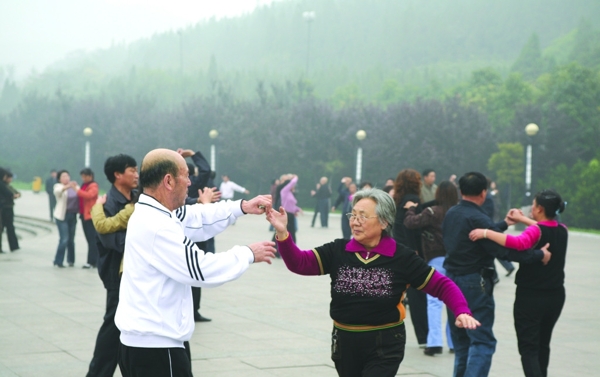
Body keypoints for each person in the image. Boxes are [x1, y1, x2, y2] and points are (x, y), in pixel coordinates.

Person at [266, 188, 480, 377]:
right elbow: (299, 263)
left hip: (384, 343)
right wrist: (283, 233)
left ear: (384, 222)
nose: (355, 221)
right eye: (353, 215)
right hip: (345, 341)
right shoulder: (337, 251)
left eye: (363, 216)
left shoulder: (402, 257)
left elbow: (442, 285)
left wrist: (461, 311)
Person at [114, 148, 276, 377]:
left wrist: (241, 207)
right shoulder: (157, 225)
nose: (190, 182)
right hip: (156, 349)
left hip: (147, 343)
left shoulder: (156, 212)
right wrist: (248, 253)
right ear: (168, 180)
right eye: (186, 175)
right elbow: (200, 269)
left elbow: (197, 217)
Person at [442, 172, 552, 377]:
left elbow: (479, 233)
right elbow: (503, 251)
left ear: (461, 190)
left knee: (462, 340)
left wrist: (503, 224)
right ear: (483, 193)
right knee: (482, 340)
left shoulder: (452, 213)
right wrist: (539, 255)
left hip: (451, 281)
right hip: (474, 282)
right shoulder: (478, 217)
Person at [469, 190, 568, 377]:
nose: (531, 207)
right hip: (555, 296)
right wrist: (522, 220)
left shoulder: (536, 231)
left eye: (533, 204)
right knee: (542, 344)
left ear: (539, 208)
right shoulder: (562, 229)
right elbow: (543, 227)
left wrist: (486, 232)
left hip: (531, 297)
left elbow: (517, 243)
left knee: (528, 348)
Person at [86, 154, 138, 377]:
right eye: (131, 170)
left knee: (130, 327)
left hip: (137, 271)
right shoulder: (109, 203)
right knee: (113, 325)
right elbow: (113, 242)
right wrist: (142, 237)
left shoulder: (138, 196)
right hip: (116, 273)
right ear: (118, 175)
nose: (136, 174)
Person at [404, 181, 458, 356]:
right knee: (453, 301)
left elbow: (410, 222)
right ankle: (454, 342)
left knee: (434, 302)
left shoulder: (432, 212)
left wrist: (411, 208)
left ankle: (434, 342)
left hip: (436, 260)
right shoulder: (458, 212)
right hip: (457, 262)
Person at [392, 169, 428, 348]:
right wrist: (416, 251)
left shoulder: (397, 199)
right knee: (417, 296)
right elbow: (413, 228)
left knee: (395, 295)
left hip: (395, 249)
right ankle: (424, 337)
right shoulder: (412, 200)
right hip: (410, 252)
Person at [53, 170, 79, 267]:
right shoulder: (58, 186)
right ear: (59, 179)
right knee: (64, 239)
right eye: (63, 176)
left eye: (67, 176)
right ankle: (58, 261)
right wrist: (68, 186)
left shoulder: (75, 187)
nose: (66, 178)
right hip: (62, 216)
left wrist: (74, 187)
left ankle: (71, 260)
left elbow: (81, 194)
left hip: (73, 215)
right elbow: (58, 191)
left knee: (71, 240)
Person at [77, 168, 99, 269]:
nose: (83, 178)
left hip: (90, 216)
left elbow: (89, 195)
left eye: (85, 176)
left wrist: (76, 190)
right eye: (82, 176)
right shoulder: (84, 185)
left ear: (90, 176)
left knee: (92, 239)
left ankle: (91, 261)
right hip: (83, 215)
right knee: (89, 239)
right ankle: (93, 261)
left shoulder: (93, 185)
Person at [0, 169, 21, 252]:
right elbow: (10, 194)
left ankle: (14, 245)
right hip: (5, 208)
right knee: (7, 227)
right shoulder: (2, 184)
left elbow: (16, 193)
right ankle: (13, 246)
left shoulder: (6, 185)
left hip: (7, 207)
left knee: (8, 227)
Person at [279, 174, 302, 242]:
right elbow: (292, 182)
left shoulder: (290, 193)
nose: (293, 187)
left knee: (291, 233)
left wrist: (297, 209)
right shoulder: (284, 191)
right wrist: (295, 177)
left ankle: (292, 248)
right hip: (286, 214)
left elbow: (291, 205)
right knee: (285, 232)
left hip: (291, 215)